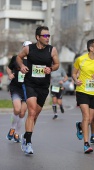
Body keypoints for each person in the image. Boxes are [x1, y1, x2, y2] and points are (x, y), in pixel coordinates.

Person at [16, 26, 60, 154]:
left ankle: (26, 136)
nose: (47, 38)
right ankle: (28, 142)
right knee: (32, 111)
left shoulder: (52, 50)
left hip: (43, 86)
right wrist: (22, 66)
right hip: (30, 84)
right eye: (45, 36)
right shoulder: (29, 49)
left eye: (48, 36)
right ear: (38, 37)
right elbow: (18, 57)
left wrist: (51, 69)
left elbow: (57, 64)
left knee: (35, 115)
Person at [6, 41, 32, 143]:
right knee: (17, 109)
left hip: (27, 88)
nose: (27, 49)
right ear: (23, 48)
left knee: (22, 113)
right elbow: (8, 68)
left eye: (29, 47)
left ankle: (17, 132)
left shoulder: (32, 61)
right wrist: (10, 74)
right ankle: (12, 128)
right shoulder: (16, 58)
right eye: (26, 47)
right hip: (16, 87)